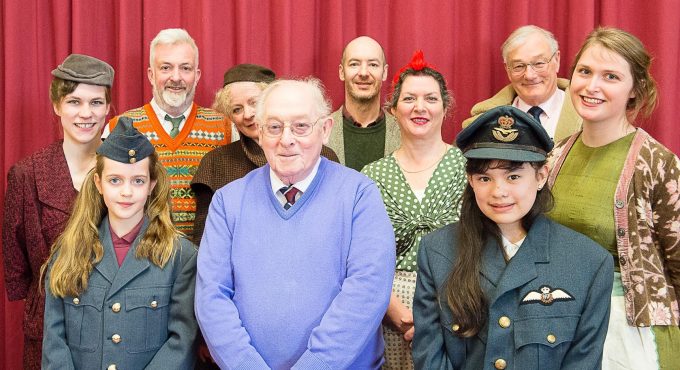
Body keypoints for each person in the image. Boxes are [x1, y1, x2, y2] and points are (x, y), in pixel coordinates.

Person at [195, 78, 395, 369]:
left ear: (325, 130)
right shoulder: (228, 202)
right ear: (259, 133)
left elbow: (367, 291)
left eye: (301, 126)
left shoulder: (360, 195)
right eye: (274, 127)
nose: (286, 139)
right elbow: (211, 297)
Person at [412, 106, 613, 369]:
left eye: (513, 176)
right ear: (470, 181)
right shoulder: (437, 251)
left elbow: (583, 361)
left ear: (541, 176)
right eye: (484, 177)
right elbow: (430, 358)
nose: (499, 191)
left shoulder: (589, 262)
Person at [547, 27, 680, 370]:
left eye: (610, 76)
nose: (592, 86)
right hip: (558, 323)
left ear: (634, 90)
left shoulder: (658, 163)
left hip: (628, 336)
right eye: (585, 71)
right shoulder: (553, 155)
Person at [41, 118, 198, 369]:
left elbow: (182, 342)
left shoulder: (180, 256)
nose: (127, 192)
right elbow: (54, 341)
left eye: (138, 181)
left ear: (151, 185)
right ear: (98, 184)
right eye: (115, 180)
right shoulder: (68, 252)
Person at [2, 54, 113, 370]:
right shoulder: (26, 174)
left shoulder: (123, 171)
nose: (86, 113)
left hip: (113, 329)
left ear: (108, 109)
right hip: (50, 332)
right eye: (74, 101)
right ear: (57, 106)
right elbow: (16, 262)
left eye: (96, 103)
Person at [361, 50, 466, 370]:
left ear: (445, 108)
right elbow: (363, 254)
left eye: (431, 99)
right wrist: (394, 310)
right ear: (392, 109)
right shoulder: (371, 176)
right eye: (409, 99)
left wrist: (446, 307)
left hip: (459, 299)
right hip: (389, 306)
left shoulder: (470, 169)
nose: (420, 107)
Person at [191, 63, 339, 246]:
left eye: (255, 103)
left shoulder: (321, 154)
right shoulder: (215, 163)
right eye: (237, 109)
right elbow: (203, 240)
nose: (248, 114)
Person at [107, 28, 230, 238]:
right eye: (166, 67)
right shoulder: (120, 127)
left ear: (197, 75)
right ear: (151, 75)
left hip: (204, 259)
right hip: (143, 258)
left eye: (185, 68)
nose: (176, 77)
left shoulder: (224, 128)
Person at [462, 25, 581, 142]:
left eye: (539, 63)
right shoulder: (483, 122)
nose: (529, 75)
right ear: (507, 69)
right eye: (519, 66)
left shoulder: (587, 112)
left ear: (557, 60)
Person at [328, 35, 401, 171]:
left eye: (373, 64)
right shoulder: (320, 131)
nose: (363, 73)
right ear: (342, 72)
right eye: (354, 64)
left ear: (384, 72)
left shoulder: (405, 132)